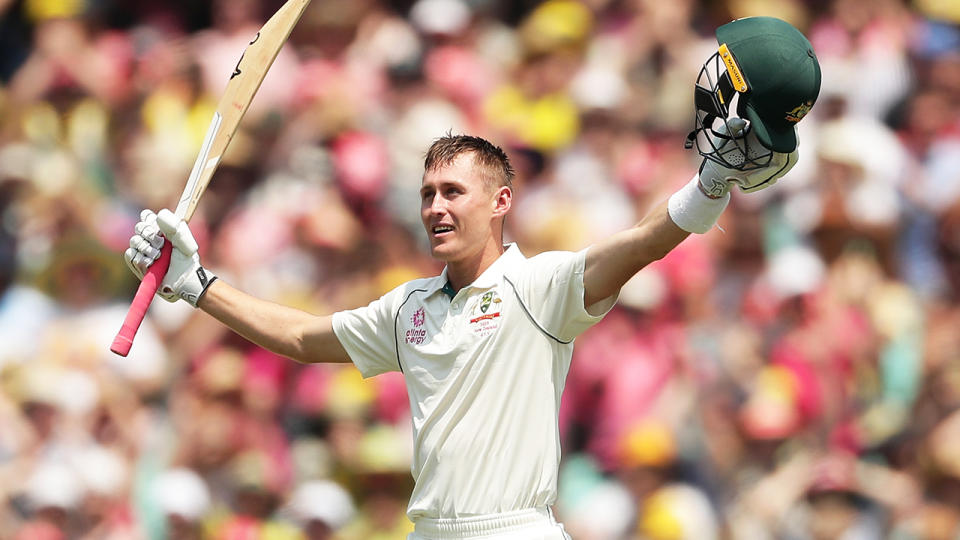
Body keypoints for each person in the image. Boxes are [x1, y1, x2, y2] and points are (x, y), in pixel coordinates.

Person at [124, 16, 820, 540]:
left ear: (501, 201)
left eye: (454, 192)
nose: (436, 207)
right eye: (428, 193)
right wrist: (199, 284)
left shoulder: (540, 288)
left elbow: (638, 245)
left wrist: (708, 188)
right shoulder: (410, 307)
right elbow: (304, 337)